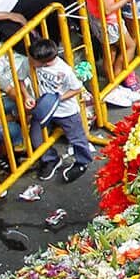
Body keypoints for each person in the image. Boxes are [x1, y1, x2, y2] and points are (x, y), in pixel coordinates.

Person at [27, 38, 93, 183]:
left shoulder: (64, 71)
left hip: (66, 111)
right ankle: (50, 159)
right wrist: (27, 96)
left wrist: (57, 99)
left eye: (33, 59)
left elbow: (76, 88)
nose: (30, 61)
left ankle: (82, 162)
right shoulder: (32, 62)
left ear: (44, 61)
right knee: (36, 137)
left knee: (77, 138)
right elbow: (20, 78)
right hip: (44, 109)